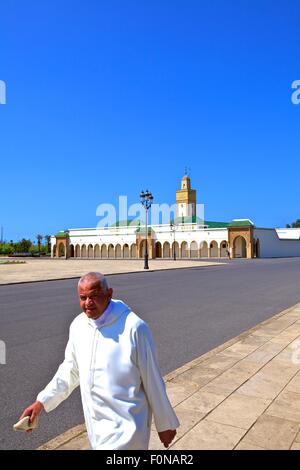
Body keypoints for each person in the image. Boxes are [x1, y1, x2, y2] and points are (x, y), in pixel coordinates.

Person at [19, 272, 179, 450]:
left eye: (94, 296)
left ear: (109, 294)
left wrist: (165, 423)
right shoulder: (79, 326)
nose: (88, 303)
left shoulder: (134, 328)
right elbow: (70, 370)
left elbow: (153, 380)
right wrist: (41, 402)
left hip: (128, 428)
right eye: (83, 297)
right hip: (96, 429)